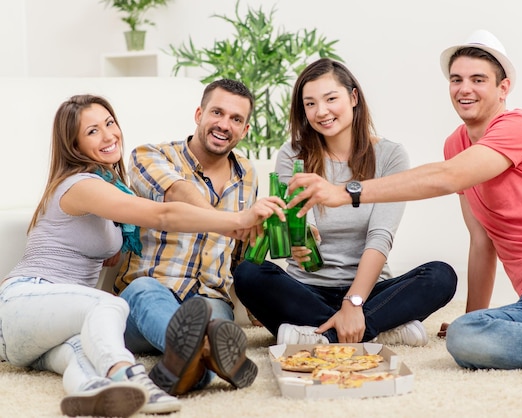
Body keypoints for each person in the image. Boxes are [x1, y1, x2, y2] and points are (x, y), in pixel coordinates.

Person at [286, 30, 522, 378]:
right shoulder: (456, 143)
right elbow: (481, 241)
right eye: (456, 79)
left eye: (478, 79)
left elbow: (448, 177)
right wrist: (475, 315)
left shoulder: (518, 126)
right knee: (465, 337)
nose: (465, 88)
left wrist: (347, 192)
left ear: (503, 88)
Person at [0, 94, 285, 417]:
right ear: (74, 144)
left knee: (81, 355)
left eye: (110, 123)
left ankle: (128, 392)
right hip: (26, 300)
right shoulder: (80, 185)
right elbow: (162, 216)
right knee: (111, 303)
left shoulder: (111, 189)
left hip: (51, 331)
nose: (108, 135)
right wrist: (235, 220)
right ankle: (134, 372)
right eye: (92, 131)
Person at [234, 58, 457, 346]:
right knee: (248, 274)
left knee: (440, 276)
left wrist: (353, 302)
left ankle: (321, 335)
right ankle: (379, 329)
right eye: (310, 103)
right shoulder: (292, 154)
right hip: (306, 289)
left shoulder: (390, 155)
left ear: (353, 98)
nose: (321, 111)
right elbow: (298, 223)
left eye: (330, 99)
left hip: (369, 292)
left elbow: (380, 236)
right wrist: (298, 236)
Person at [113, 79, 266, 395]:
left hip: (208, 301)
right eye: (217, 112)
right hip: (147, 298)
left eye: (236, 119)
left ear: (245, 130)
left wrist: (257, 306)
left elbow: (242, 253)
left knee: (215, 324)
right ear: (199, 114)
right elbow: (178, 193)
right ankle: (209, 355)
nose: (224, 124)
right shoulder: (150, 155)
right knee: (144, 290)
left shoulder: (247, 175)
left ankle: (189, 367)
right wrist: (231, 221)